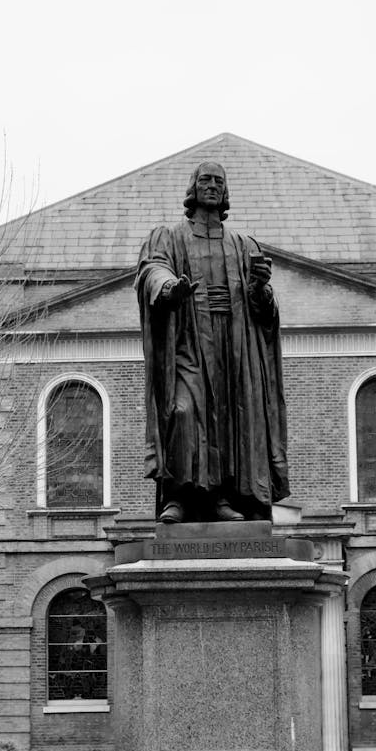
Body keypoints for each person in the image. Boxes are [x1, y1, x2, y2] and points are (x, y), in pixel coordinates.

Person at [134, 161, 289, 523]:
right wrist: (170, 286)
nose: (212, 186)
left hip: (233, 345)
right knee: (184, 411)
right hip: (188, 339)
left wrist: (259, 287)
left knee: (228, 420)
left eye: (219, 181)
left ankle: (220, 497)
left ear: (225, 191)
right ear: (193, 187)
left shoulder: (241, 244)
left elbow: (264, 310)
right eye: (205, 180)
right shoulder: (169, 237)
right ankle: (177, 496)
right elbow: (152, 269)